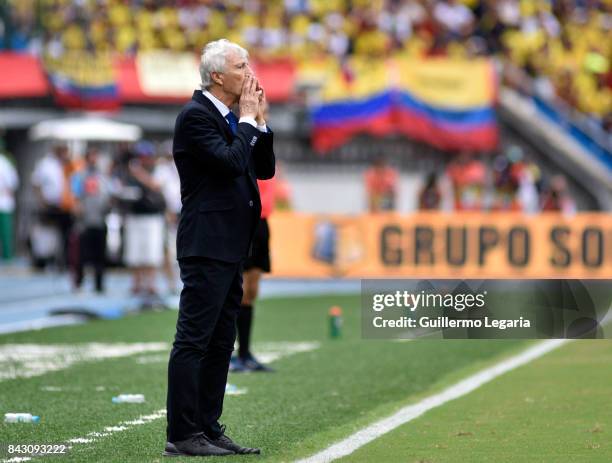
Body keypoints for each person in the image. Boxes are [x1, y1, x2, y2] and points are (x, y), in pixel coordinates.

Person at [165, 38, 275, 457]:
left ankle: (208, 427)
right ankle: (182, 433)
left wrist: (259, 124)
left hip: (232, 244)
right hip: (207, 243)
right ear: (217, 76)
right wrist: (247, 121)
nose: (250, 72)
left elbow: (262, 169)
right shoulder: (195, 117)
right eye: (241, 65)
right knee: (194, 339)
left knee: (219, 342)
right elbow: (230, 162)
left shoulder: (233, 117)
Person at [230, 175, 276, 372]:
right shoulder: (242, 155)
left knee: (251, 292)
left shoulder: (265, 159)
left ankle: (244, 353)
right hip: (245, 222)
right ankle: (230, 353)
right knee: (238, 292)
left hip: (262, 224)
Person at [123, 140, 166, 296]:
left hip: (152, 216)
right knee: (135, 252)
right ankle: (137, 282)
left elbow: (156, 185)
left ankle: (151, 283)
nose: (143, 159)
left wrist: (139, 173)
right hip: (135, 214)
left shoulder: (158, 169)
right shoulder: (130, 172)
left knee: (152, 252)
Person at [71, 147, 112, 293]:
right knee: (82, 255)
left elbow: (109, 195)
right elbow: (75, 196)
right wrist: (78, 209)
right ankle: (79, 283)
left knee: (100, 255)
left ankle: (99, 284)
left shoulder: (103, 177)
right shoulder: (80, 176)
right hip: (85, 222)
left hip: (100, 220)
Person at [0, 142, 19, 261]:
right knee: (6, 233)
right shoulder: (6, 163)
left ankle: (8, 256)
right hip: (4, 201)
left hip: (4, 201)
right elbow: (13, 183)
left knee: (6, 232)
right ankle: (7, 256)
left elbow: (12, 183)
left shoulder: (5, 163)